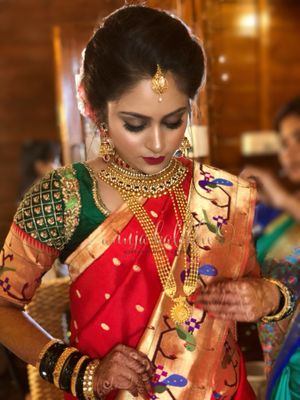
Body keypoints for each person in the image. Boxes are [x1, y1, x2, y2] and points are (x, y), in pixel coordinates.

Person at [0, 5, 294, 400]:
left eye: (174, 121)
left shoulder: (222, 194)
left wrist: (267, 297)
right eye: (135, 124)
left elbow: (268, 287)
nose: (158, 143)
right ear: (94, 108)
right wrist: (82, 373)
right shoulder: (64, 197)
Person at [241, 97, 300, 377]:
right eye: (284, 144)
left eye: (298, 139)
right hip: (278, 361)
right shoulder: (281, 210)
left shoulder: (288, 204)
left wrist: (282, 200)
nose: (289, 154)